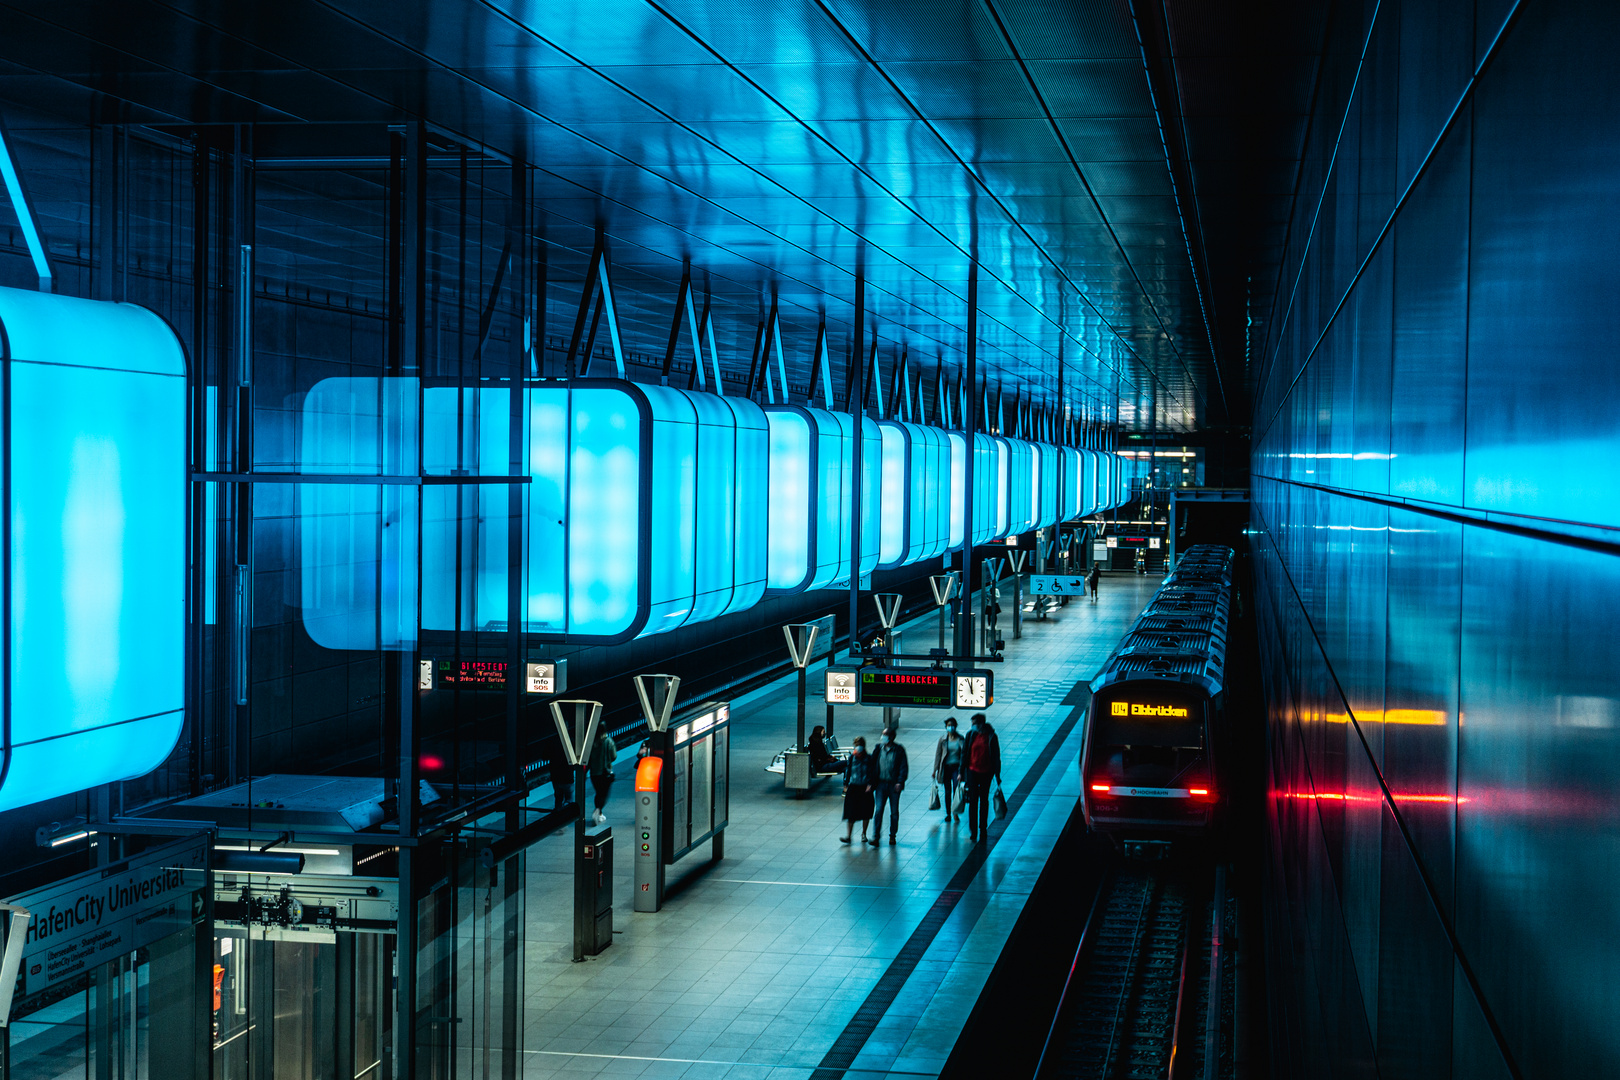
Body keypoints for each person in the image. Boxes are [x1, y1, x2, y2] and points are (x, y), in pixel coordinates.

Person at [961, 713, 1002, 842]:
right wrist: (961, 771)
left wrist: (997, 774)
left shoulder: (991, 736)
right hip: (972, 771)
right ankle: (973, 830)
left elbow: (996, 756)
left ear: (981, 724)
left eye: (974, 724)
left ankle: (983, 828)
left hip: (986, 772)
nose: (972, 726)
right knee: (973, 800)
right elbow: (964, 753)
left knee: (984, 800)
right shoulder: (970, 735)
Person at [870, 727, 909, 845]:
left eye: (885, 735)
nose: (883, 737)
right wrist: (871, 782)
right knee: (879, 810)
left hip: (893, 785)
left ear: (891, 737)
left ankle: (892, 835)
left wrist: (900, 782)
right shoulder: (878, 749)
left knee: (894, 812)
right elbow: (872, 766)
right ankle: (876, 836)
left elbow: (903, 767)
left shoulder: (899, 750)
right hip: (880, 784)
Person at [840, 738, 875, 845]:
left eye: (859, 745)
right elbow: (848, 771)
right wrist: (845, 784)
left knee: (866, 812)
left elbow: (872, 772)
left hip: (865, 788)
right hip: (853, 787)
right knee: (850, 812)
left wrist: (870, 784)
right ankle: (848, 836)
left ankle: (863, 834)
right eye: (856, 745)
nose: (858, 747)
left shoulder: (868, 758)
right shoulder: (852, 758)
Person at [933, 717, 965, 822]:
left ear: (955, 727)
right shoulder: (943, 740)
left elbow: (964, 756)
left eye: (952, 725)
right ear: (946, 727)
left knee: (956, 790)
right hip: (946, 768)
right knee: (947, 791)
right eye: (948, 726)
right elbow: (938, 755)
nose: (950, 727)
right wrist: (935, 770)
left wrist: (962, 772)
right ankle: (948, 813)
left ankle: (955, 811)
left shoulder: (960, 739)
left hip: (956, 768)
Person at [588, 729, 617, 824]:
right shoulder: (608, 741)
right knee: (604, 794)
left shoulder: (591, 742)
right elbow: (613, 756)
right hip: (605, 773)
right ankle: (597, 810)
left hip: (594, 773)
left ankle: (599, 813)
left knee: (598, 793)